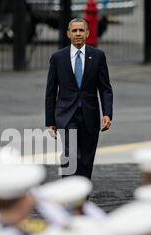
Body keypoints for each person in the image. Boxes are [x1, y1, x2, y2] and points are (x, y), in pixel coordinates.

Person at [45, 18, 113, 179]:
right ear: (68, 34)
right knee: (71, 154)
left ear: (87, 33)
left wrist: (107, 113)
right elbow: (51, 91)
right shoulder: (58, 58)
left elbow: (105, 88)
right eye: (74, 31)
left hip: (90, 115)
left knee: (87, 158)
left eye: (81, 30)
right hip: (67, 115)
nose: (78, 34)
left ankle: (82, 192)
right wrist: (50, 121)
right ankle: (69, 191)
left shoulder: (97, 56)